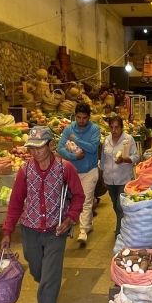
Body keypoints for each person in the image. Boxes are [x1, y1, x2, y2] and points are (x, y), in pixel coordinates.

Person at [2, 126, 85, 303]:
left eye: (39, 148)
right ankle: (47, 288)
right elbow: (16, 202)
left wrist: (69, 219)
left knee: (49, 279)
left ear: (50, 146)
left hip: (55, 231)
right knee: (37, 271)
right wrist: (7, 231)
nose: (35, 153)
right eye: (32, 148)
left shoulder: (65, 168)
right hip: (30, 231)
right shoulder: (25, 171)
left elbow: (78, 196)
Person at [57, 102, 101, 246]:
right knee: (74, 200)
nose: (81, 121)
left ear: (89, 117)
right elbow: (60, 149)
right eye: (78, 117)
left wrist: (76, 139)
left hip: (90, 171)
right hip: (73, 172)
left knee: (87, 200)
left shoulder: (94, 129)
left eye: (84, 118)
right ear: (74, 116)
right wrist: (75, 157)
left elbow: (93, 148)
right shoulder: (68, 129)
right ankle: (87, 224)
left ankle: (83, 231)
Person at [101, 114, 138, 236]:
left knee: (120, 206)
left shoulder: (128, 139)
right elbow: (103, 158)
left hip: (124, 178)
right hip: (109, 179)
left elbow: (136, 157)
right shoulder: (106, 140)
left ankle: (120, 232)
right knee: (115, 206)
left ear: (121, 127)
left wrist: (124, 160)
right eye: (111, 127)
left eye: (116, 127)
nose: (113, 130)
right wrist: (102, 175)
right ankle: (122, 224)